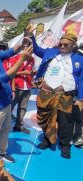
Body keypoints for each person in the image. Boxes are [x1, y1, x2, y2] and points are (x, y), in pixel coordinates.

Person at [26, 24, 83, 158]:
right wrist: (31, 36)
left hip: (66, 96)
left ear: (73, 45)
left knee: (65, 122)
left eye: (65, 45)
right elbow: (36, 49)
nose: (62, 47)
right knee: (45, 119)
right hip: (47, 94)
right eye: (60, 44)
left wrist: (81, 99)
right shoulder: (50, 52)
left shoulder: (80, 59)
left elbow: (81, 80)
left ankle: (65, 146)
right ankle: (47, 140)